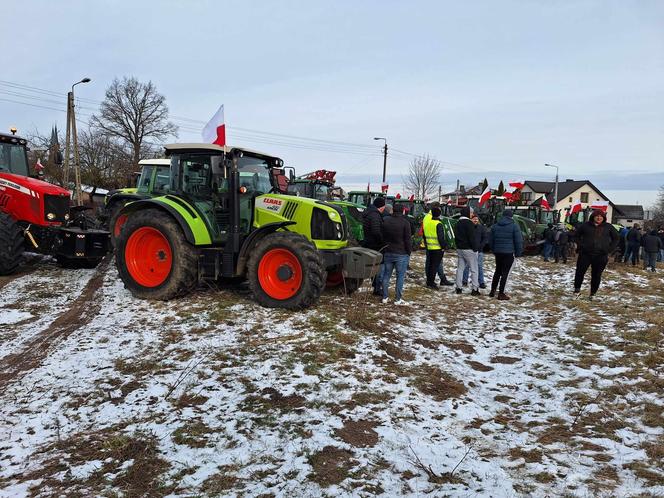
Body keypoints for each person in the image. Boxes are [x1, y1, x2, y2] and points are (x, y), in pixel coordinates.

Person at [574, 209, 619, 299]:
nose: (599, 218)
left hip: (601, 255)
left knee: (596, 275)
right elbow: (576, 235)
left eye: (601, 216)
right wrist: (581, 245)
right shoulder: (585, 225)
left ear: (603, 218)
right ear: (593, 217)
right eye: (597, 216)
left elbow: (616, 238)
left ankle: (593, 293)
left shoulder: (608, 227)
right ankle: (577, 291)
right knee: (580, 272)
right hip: (585, 254)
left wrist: (609, 249)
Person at [381, 203, 412, 303]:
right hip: (401, 253)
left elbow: (382, 236)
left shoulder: (385, 221)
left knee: (386, 275)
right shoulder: (405, 223)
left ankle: (385, 297)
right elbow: (407, 239)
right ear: (402, 210)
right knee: (400, 276)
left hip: (388, 251)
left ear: (393, 210)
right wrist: (409, 251)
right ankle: (398, 298)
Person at [489, 210, 523, 300]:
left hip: (498, 253)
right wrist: (518, 253)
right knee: (505, 273)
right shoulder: (514, 226)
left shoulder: (495, 226)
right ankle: (501, 293)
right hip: (509, 253)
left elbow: (491, 241)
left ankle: (492, 291)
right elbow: (518, 241)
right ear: (511, 217)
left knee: (497, 271)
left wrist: (494, 250)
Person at [421, 202, 454, 286]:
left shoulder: (427, 218)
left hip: (430, 245)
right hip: (436, 246)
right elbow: (438, 235)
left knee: (433, 264)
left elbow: (425, 233)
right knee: (434, 264)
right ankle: (435, 280)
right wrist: (444, 246)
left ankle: (435, 279)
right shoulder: (433, 220)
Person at [454, 206, 481, 295]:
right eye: (471, 213)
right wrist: (475, 248)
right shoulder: (469, 223)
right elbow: (472, 238)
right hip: (469, 249)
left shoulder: (458, 223)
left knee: (460, 269)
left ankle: (458, 287)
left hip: (460, 248)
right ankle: (475, 289)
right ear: (467, 213)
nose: (472, 214)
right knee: (474, 269)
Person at [362, 197, 386, 295]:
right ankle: (377, 287)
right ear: (381, 206)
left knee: (374, 266)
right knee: (379, 266)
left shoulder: (369, 213)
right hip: (375, 245)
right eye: (384, 206)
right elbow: (376, 231)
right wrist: (382, 241)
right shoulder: (375, 216)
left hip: (369, 242)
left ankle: (375, 285)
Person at [423, 207, 448, 289]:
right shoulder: (438, 224)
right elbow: (441, 237)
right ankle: (431, 282)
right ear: (439, 214)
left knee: (430, 265)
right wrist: (444, 246)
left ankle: (429, 281)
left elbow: (424, 235)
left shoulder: (428, 223)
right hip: (437, 248)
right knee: (434, 266)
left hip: (429, 247)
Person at [462, 214, 488, 288]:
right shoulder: (467, 228)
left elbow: (485, 238)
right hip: (469, 250)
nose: (475, 220)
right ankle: (464, 280)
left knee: (479, 266)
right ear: (471, 220)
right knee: (466, 266)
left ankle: (481, 282)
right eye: (474, 219)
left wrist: (480, 246)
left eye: (477, 219)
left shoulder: (481, 228)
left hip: (479, 251)